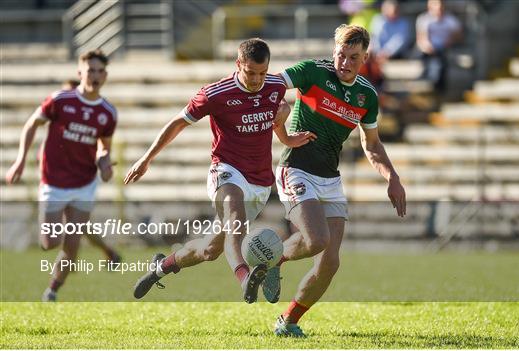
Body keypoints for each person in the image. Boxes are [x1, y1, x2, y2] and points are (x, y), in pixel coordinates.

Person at [124, 38, 316, 304]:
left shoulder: (274, 86)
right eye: (250, 73)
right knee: (234, 219)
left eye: (262, 72)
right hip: (226, 170)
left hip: (259, 182)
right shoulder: (216, 93)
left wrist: (286, 136)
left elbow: (277, 115)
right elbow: (178, 122)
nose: (257, 79)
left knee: (209, 249)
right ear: (238, 64)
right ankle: (245, 279)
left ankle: (162, 266)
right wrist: (147, 158)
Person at [268, 24, 407, 337]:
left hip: (330, 177)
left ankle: (287, 321)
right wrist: (284, 132)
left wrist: (392, 177)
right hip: (297, 167)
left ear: (365, 58)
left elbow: (372, 144)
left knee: (330, 262)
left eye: (353, 57)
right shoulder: (313, 72)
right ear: (334, 52)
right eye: (341, 55)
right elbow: (271, 86)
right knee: (316, 239)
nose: (345, 63)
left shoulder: (366, 96)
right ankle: (273, 260)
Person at [5, 49, 118, 302]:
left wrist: (104, 163)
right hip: (53, 182)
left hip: (84, 182)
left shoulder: (108, 112)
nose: (95, 76)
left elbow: (104, 146)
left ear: (106, 75)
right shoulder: (60, 100)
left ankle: (52, 291)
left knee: (73, 243)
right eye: (90, 70)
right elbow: (32, 124)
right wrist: (20, 160)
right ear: (80, 73)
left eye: (100, 71)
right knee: (50, 243)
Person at [415, 0, 462, 92]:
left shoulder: (451, 20)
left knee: (439, 62)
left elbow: (458, 36)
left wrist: (450, 40)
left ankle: (436, 87)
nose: (438, 9)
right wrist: (427, 46)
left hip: (444, 48)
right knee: (433, 62)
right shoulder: (424, 19)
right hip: (428, 50)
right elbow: (421, 38)